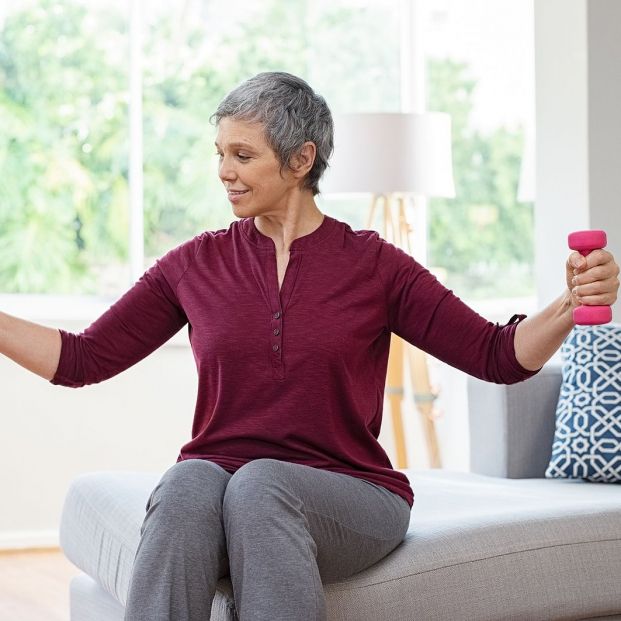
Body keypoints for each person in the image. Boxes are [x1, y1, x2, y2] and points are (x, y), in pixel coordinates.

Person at [1, 71, 619, 621]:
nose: (224, 171)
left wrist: (569, 304)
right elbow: (82, 359)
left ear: (301, 160)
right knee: (191, 482)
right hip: (224, 481)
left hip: (352, 494)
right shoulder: (194, 265)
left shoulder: (374, 265)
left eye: (243, 155)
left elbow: (497, 356)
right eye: (220, 153)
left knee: (261, 484)